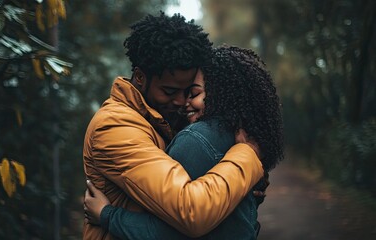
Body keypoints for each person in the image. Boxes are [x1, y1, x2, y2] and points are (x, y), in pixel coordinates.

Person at [83, 12, 265, 240]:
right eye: (169, 91)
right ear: (140, 77)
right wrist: (246, 156)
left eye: (188, 91)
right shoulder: (114, 127)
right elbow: (191, 211)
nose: (181, 101)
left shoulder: (164, 119)